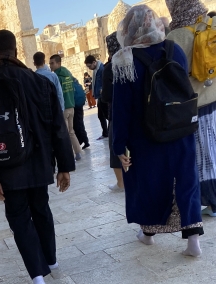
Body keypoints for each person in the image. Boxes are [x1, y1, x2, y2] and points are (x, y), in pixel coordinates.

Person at [0, 30, 75, 284]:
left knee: (19, 218)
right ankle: (51, 259)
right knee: (41, 209)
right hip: (38, 163)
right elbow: (57, 127)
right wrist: (64, 166)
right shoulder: (39, 83)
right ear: (16, 52)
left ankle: (37, 276)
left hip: (5, 169)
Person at [112, 5, 203, 256]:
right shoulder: (174, 49)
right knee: (185, 179)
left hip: (145, 135)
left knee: (148, 183)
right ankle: (193, 240)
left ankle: (148, 233)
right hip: (179, 126)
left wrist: (119, 145)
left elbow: (120, 109)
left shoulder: (124, 59)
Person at [166, 0, 216, 217]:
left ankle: (212, 201)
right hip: (214, 96)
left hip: (196, 104)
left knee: (204, 156)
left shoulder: (175, 36)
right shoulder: (211, 24)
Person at [101, 32, 124, 191]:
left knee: (115, 146)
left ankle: (121, 183)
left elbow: (107, 96)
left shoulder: (110, 67)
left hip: (117, 112)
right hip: (136, 112)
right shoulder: (133, 60)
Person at [49, 54, 83, 161]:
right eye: (50, 63)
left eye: (52, 63)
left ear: (58, 63)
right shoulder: (68, 74)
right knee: (71, 131)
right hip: (71, 106)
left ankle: (69, 155)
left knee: (64, 133)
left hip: (63, 108)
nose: (50, 66)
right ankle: (78, 152)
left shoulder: (57, 77)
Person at [84, 54, 109, 138]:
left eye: (89, 65)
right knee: (101, 115)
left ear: (94, 62)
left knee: (106, 114)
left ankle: (109, 131)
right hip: (99, 96)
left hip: (103, 95)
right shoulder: (96, 69)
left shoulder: (101, 69)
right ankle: (106, 132)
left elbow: (104, 82)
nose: (89, 68)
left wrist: (102, 91)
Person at [72, 76, 90, 149]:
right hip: (79, 106)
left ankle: (83, 141)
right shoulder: (76, 83)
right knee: (80, 123)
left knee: (77, 124)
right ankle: (84, 140)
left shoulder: (70, 84)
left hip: (75, 106)